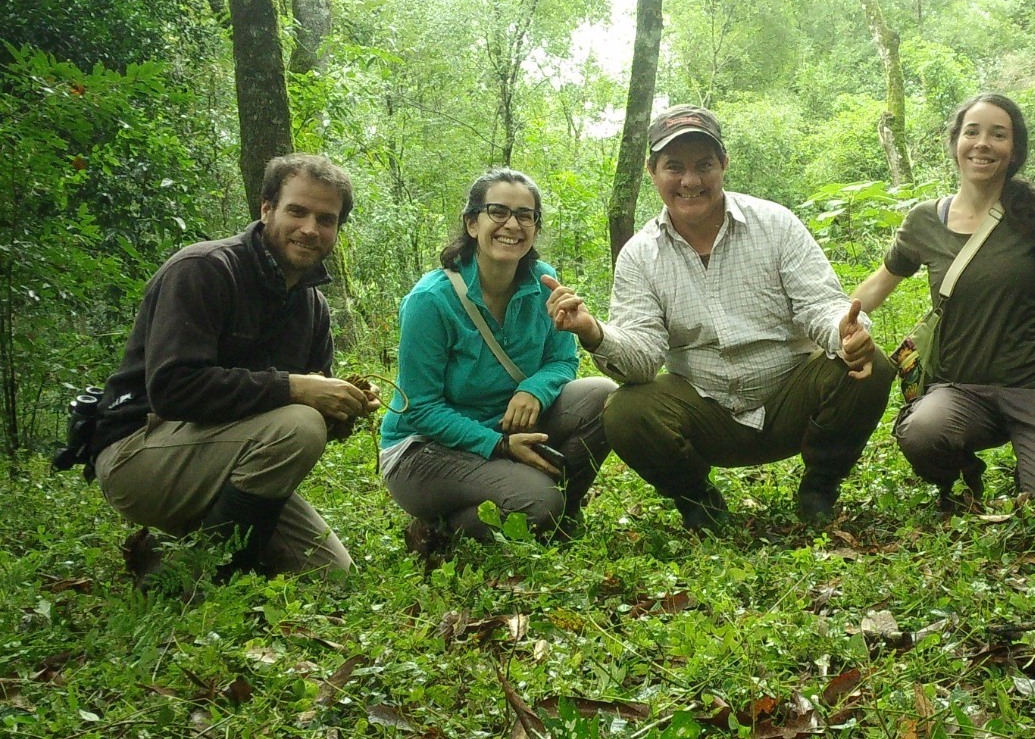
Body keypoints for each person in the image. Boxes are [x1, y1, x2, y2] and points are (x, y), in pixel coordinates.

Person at [544, 104, 894, 530]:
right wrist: (593, 332)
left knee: (870, 368)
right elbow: (641, 361)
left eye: (704, 165)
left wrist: (848, 333)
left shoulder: (775, 224)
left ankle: (820, 487)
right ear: (652, 172)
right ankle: (700, 504)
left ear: (724, 165)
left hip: (789, 396)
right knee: (625, 411)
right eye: (674, 167)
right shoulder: (640, 254)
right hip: (704, 408)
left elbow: (820, 304)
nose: (690, 181)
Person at [90, 153, 378, 584]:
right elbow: (173, 389)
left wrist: (343, 406)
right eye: (296, 211)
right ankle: (214, 575)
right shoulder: (204, 270)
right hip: (137, 453)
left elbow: (312, 417)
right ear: (266, 209)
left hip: (228, 457)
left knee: (332, 574)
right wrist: (295, 389)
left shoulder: (312, 306)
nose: (310, 229)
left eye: (326, 219)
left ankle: (174, 556)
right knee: (298, 423)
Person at [852, 94, 1035, 507]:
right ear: (956, 142)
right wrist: (838, 324)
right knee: (922, 433)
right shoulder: (925, 220)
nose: (982, 143)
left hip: (1034, 385)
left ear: (1013, 151)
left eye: (998, 135)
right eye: (972, 132)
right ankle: (964, 475)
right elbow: (878, 284)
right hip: (958, 389)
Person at [378, 168, 614, 555]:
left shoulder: (544, 282)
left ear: (536, 228)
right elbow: (419, 407)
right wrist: (500, 446)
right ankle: (440, 530)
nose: (513, 225)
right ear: (473, 223)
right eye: (498, 212)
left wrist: (533, 389)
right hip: (424, 450)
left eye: (525, 215)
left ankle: (562, 512)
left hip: (504, 423)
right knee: (538, 503)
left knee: (602, 395)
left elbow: (561, 360)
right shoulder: (431, 300)